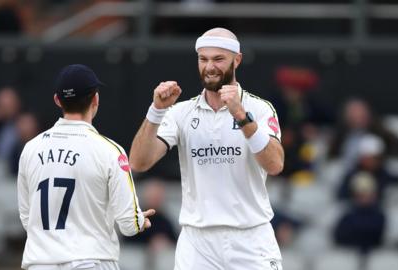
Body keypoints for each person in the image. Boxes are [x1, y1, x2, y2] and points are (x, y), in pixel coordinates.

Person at [130, 28, 284, 270]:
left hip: (251, 238)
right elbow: (138, 162)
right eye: (204, 59)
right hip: (197, 242)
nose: (210, 67)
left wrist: (240, 115)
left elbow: (275, 164)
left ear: (237, 59)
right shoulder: (181, 112)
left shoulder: (260, 108)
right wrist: (156, 111)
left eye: (218, 59)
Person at [17, 64, 155, 270]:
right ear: (95, 99)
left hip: (40, 263)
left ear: (57, 100)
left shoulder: (31, 148)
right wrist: (139, 221)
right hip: (90, 261)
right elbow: (129, 224)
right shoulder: (110, 150)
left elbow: (27, 218)